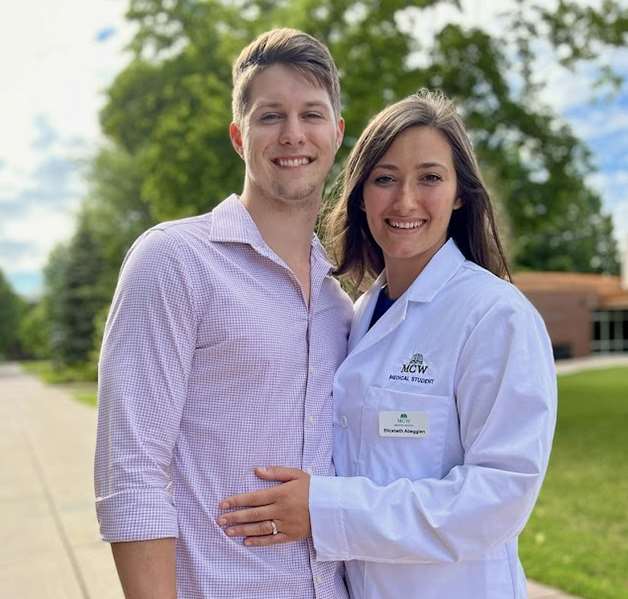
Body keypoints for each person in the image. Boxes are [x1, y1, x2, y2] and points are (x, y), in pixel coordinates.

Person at [217, 89, 557, 598]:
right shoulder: (353, 317)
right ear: (361, 194)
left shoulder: (495, 317)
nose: (404, 201)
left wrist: (324, 510)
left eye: (430, 178)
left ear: (461, 193)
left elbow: (498, 499)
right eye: (385, 179)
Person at [94, 28, 351, 599]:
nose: (292, 134)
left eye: (311, 114)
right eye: (269, 116)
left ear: (336, 133)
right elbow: (130, 470)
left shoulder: (342, 302)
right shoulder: (174, 261)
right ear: (239, 136)